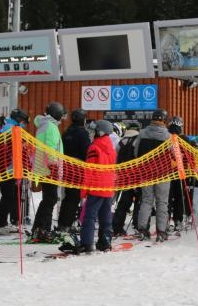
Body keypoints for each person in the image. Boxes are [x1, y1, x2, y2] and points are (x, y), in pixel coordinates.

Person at [63, 119, 117, 253]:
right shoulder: (111, 148)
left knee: (89, 216)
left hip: (96, 187)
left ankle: (87, 243)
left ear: (100, 132)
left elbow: (89, 171)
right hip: (108, 187)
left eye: (94, 131)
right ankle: (105, 241)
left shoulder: (94, 147)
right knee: (105, 217)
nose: (92, 133)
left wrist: (84, 191)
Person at [0, 108, 30, 234]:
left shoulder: (10, 127)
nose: (24, 124)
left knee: (10, 196)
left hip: (6, 168)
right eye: (23, 122)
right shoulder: (11, 129)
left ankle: (3, 222)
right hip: (6, 168)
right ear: (19, 120)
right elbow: (15, 150)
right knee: (8, 196)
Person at [135, 109, 173, 242]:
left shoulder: (142, 133)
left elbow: (136, 152)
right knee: (162, 202)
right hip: (163, 174)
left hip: (146, 173)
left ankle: (142, 229)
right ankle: (161, 232)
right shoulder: (168, 137)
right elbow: (174, 155)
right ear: (164, 119)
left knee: (146, 200)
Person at [31, 101, 65, 242]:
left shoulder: (44, 125)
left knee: (47, 200)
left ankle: (39, 228)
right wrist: (55, 166)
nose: (62, 118)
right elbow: (50, 148)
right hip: (49, 168)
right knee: (50, 200)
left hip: (43, 167)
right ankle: (43, 229)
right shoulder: (50, 127)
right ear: (56, 114)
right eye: (61, 115)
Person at [56, 108, 90, 233]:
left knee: (68, 196)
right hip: (77, 167)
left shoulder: (66, 131)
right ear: (83, 120)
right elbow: (87, 151)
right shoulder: (82, 133)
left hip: (66, 166)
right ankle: (67, 224)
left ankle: (62, 223)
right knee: (74, 197)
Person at [111, 121, 142, 236]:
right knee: (139, 201)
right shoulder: (138, 140)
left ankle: (117, 226)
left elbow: (115, 157)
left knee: (123, 202)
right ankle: (138, 225)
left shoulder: (121, 140)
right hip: (136, 175)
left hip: (123, 175)